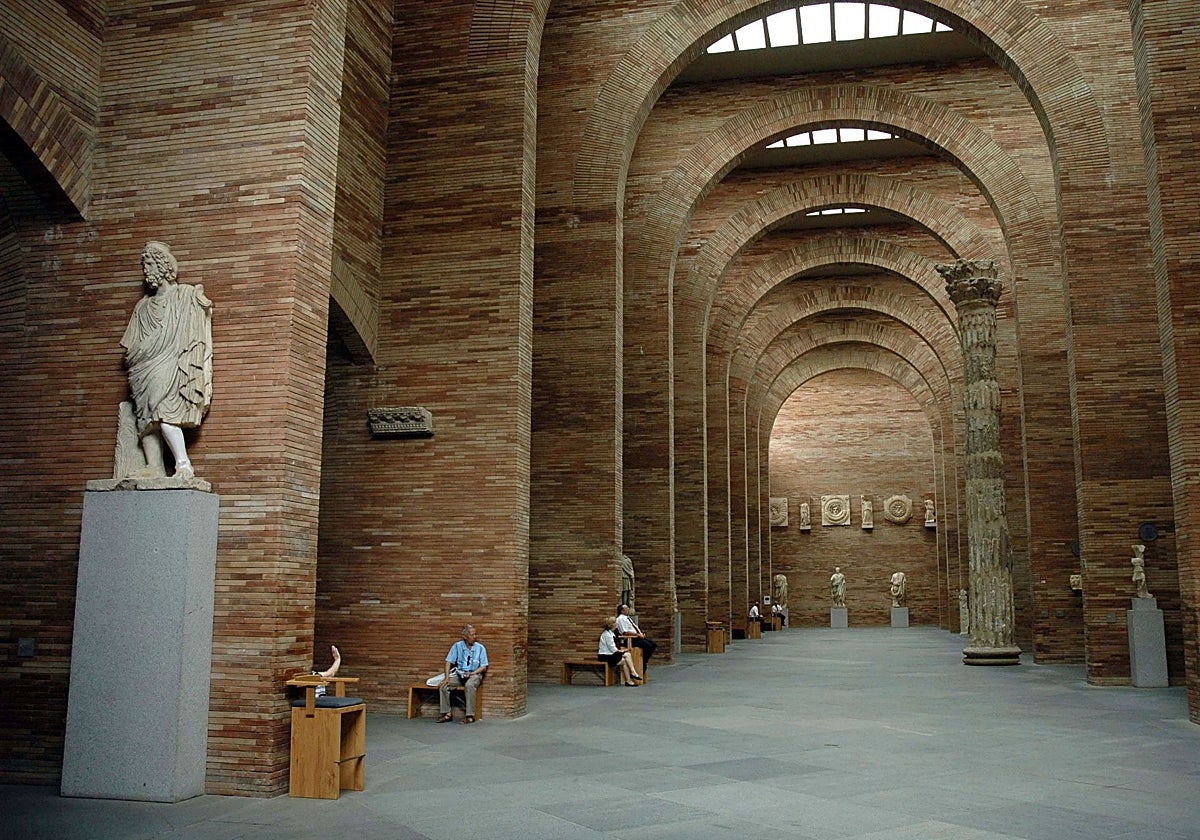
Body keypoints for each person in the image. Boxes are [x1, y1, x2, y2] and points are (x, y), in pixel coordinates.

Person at [120, 240, 213, 480]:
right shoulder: (142, 306)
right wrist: (138, 356)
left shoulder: (184, 295)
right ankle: (154, 466)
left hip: (170, 362)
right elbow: (132, 343)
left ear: (163, 266)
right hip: (143, 367)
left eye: (150, 263)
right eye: (144, 265)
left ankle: (183, 464)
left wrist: (200, 302)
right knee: (146, 417)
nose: (146, 269)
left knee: (163, 410)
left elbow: (197, 322)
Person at [438, 625, 488, 724]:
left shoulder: (480, 648)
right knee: (443, 686)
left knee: (469, 685)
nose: (474, 637)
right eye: (472, 635)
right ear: (465, 636)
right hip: (460, 673)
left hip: (474, 674)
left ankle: (469, 716)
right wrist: (447, 678)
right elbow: (448, 662)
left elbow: (484, 667)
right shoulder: (457, 646)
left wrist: (473, 673)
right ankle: (447, 713)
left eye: (475, 634)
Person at [599, 616, 642, 686]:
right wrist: (622, 651)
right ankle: (631, 675)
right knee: (626, 657)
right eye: (616, 623)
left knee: (626, 656)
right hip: (605, 656)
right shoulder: (607, 635)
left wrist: (623, 650)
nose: (617, 624)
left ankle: (631, 676)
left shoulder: (612, 633)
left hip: (611, 654)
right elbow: (613, 649)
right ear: (612, 625)